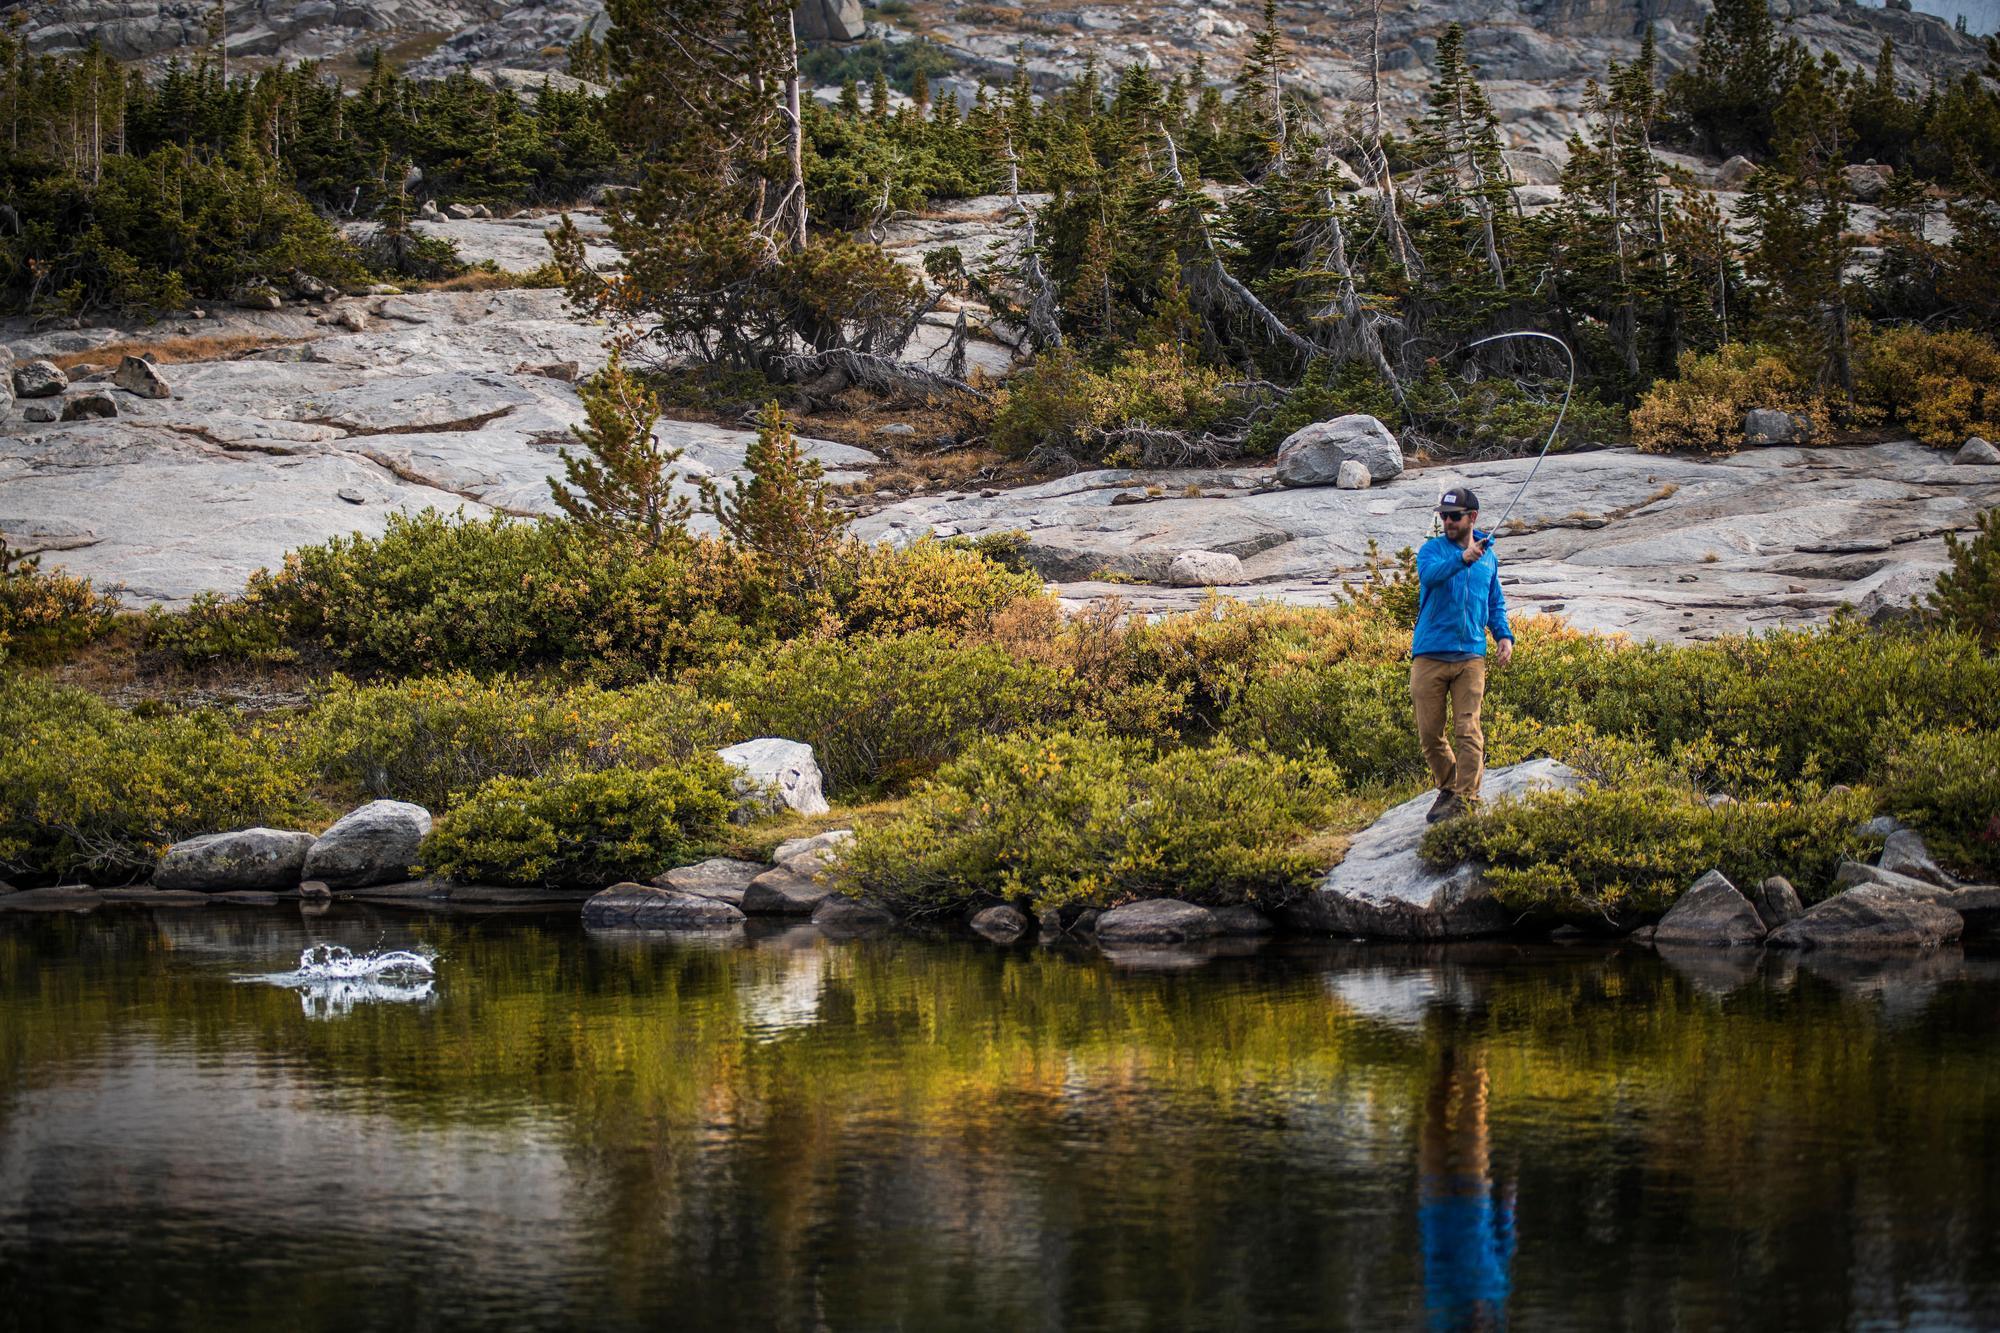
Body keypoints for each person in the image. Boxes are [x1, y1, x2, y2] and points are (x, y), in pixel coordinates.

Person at [1412, 487, 1513, 824]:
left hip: (1471, 654)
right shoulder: (1431, 551)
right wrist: (1462, 559)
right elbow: (1431, 576)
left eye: (1454, 516)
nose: (1447, 522)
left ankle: (1466, 798)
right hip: (1430, 655)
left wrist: (1503, 635)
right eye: (1443, 516)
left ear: (1473, 518)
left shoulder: (1490, 558)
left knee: (1468, 728)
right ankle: (1449, 786)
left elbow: (1494, 602)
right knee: (1430, 733)